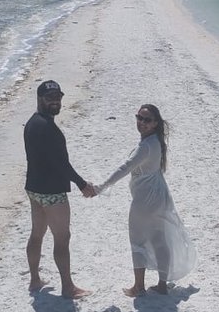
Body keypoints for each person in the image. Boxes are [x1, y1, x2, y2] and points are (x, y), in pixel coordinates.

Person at [93, 103, 195, 296]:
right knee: (159, 239)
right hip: (159, 197)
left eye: (147, 120)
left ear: (155, 123)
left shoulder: (146, 146)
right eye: (139, 118)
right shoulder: (156, 141)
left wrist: (101, 187)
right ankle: (162, 285)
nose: (141, 123)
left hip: (145, 200)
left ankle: (138, 286)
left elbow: (125, 168)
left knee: (137, 240)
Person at [24, 80, 94, 298]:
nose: (55, 102)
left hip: (33, 188)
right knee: (62, 238)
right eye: (50, 98)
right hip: (52, 192)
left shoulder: (32, 123)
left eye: (58, 97)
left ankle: (35, 280)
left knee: (37, 234)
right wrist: (82, 184)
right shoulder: (48, 129)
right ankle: (68, 287)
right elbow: (61, 164)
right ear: (39, 99)